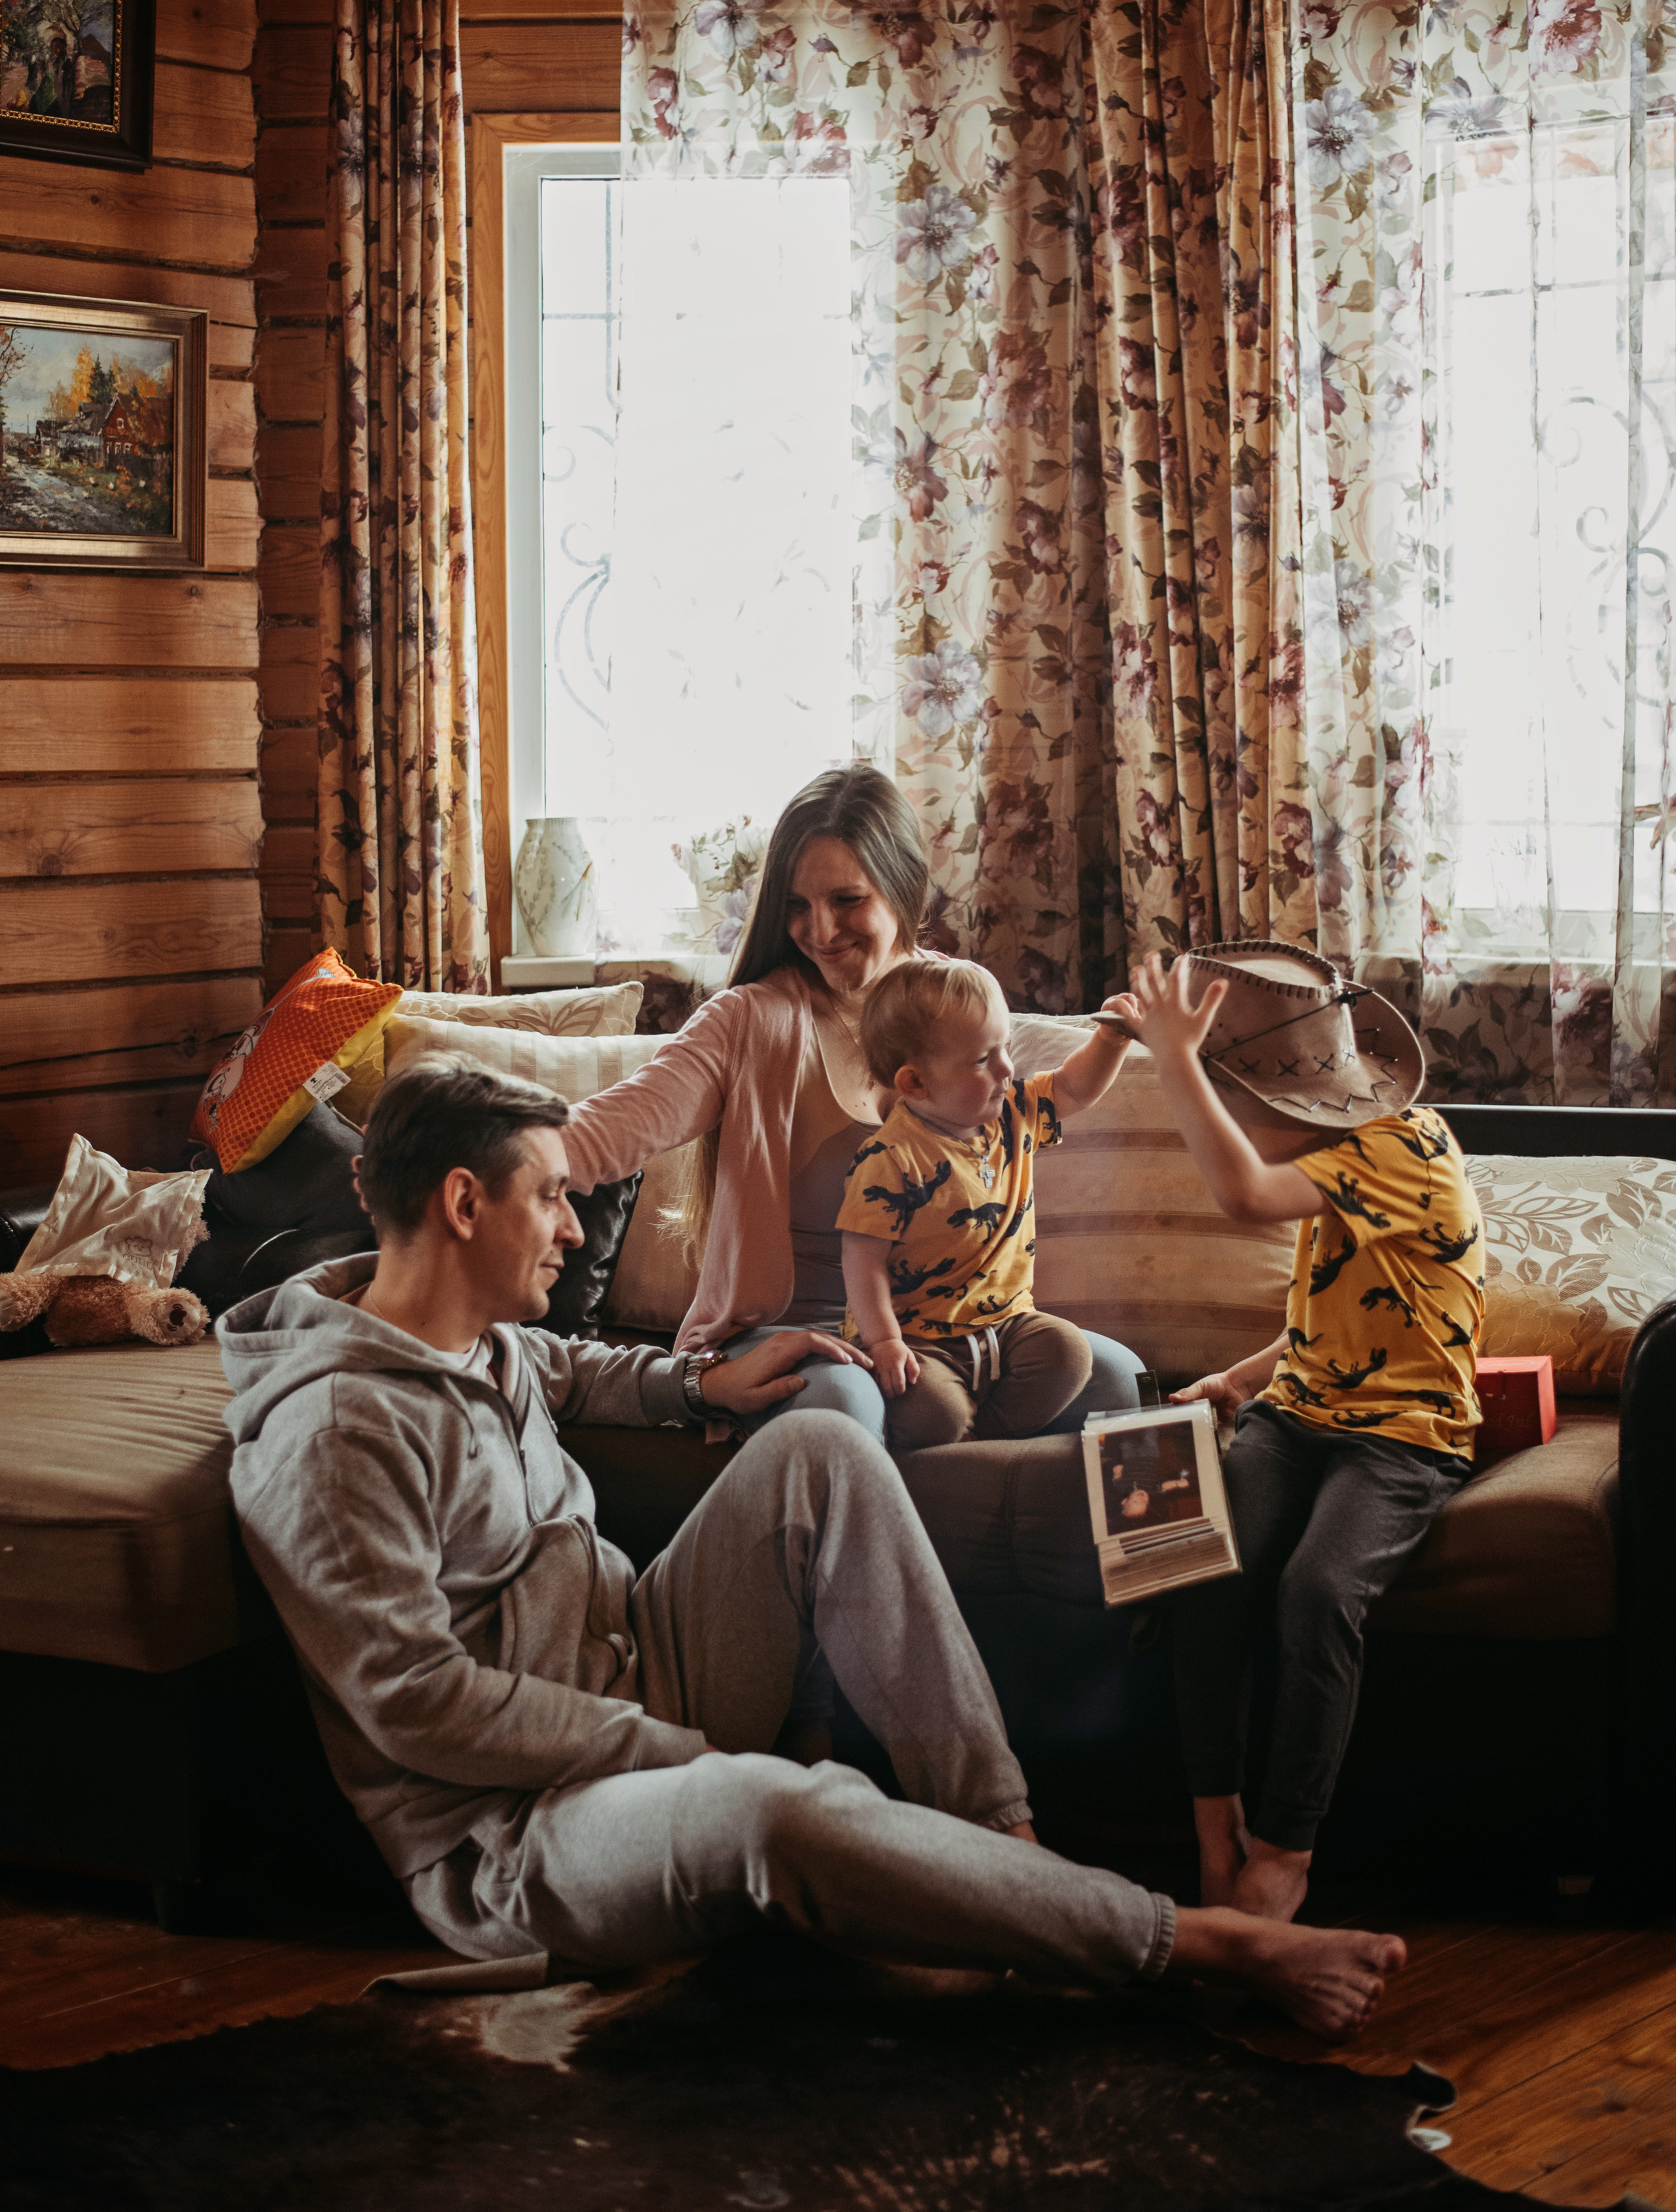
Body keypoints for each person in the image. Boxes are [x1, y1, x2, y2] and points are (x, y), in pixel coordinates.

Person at [219, 1055, 1407, 2035]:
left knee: (824, 1455)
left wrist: (701, 1382)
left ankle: (1012, 1855)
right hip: (523, 1836)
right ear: (465, 1205)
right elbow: (414, 1703)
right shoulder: (334, 1429)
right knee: (772, 1814)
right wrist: (661, 1748)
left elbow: (579, 1368)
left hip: (641, 1668)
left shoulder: (475, 1336)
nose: (575, 1233)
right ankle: (1186, 1941)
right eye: (550, 1198)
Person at [560, 764, 1145, 1446]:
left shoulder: (960, 1000)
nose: (820, 929)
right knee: (847, 1408)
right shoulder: (748, 1020)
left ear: (901, 889)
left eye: (845, 900)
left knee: (1117, 1380)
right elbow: (610, 1130)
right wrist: (482, 1165)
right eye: (797, 905)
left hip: (944, 1335)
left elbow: (1038, 1104)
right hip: (795, 1337)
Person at [1111, 941, 1484, 1926]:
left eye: (1239, 1103)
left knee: (1319, 1588)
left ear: (1300, 1102)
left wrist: (1179, 1057)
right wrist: (1233, 1382)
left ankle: (1285, 1848)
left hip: (1407, 1435)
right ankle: (1212, 1820)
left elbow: (1239, 1193)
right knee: (1200, 1560)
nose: (1229, 1124)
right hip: (1297, 1410)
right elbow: (1336, 1315)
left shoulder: (1404, 1149)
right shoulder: (1338, 1164)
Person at [837, 957, 1130, 1450]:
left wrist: (1111, 1040)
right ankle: (957, 1444)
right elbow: (862, 1261)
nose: (1007, 1068)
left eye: (1005, 1048)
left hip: (1007, 1324)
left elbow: (1073, 1087)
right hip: (920, 1342)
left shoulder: (1013, 1112)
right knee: (934, 1412)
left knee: (1069, 1353)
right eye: (982, 1060)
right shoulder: (890, 1157)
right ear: (915, 1083)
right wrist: (884, 1341)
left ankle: (982, 1445)